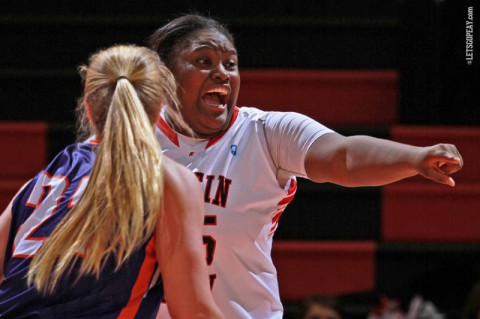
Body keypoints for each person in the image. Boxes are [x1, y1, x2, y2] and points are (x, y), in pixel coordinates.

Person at [149, 14, 463, 319]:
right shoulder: (132, 141)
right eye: (204, 61)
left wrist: (413, 157)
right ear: (165, 74)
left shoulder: (265, 132)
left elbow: (345, 156)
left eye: (230, 64)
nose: (222, 73)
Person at [0, 45, 223, 319]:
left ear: (88, 107)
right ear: (161, 106)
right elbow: (194, 312)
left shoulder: (48, 178)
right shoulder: (167, 178)